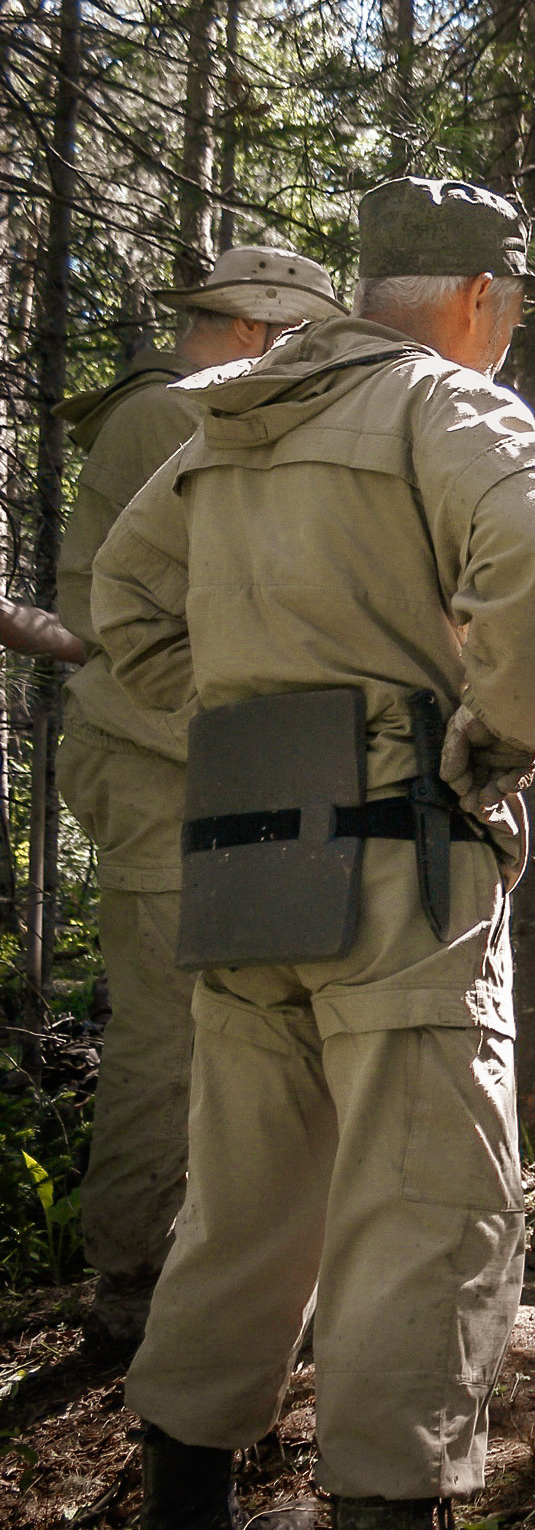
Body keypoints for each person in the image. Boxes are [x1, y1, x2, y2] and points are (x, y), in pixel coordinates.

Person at [93, 177, 535, 1528]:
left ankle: (184, 1497)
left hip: (245, 856)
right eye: (517, 305)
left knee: (244, 1200)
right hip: (401, 867)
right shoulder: (451, 406)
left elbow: (126, 608)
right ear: (480, 298)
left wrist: (253, 714)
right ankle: (387, 1503)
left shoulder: (234, 422)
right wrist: (493, 735)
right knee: (424, 1207)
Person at [52, 244, 346, 1352]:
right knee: (166, 1035)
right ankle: (130, 1278)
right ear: (260, 328)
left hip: (206, 756)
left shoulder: (178, 410)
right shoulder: (176, 415)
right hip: (156, 757)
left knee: (239, 1020)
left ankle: (204, 1260)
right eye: (302, 338)